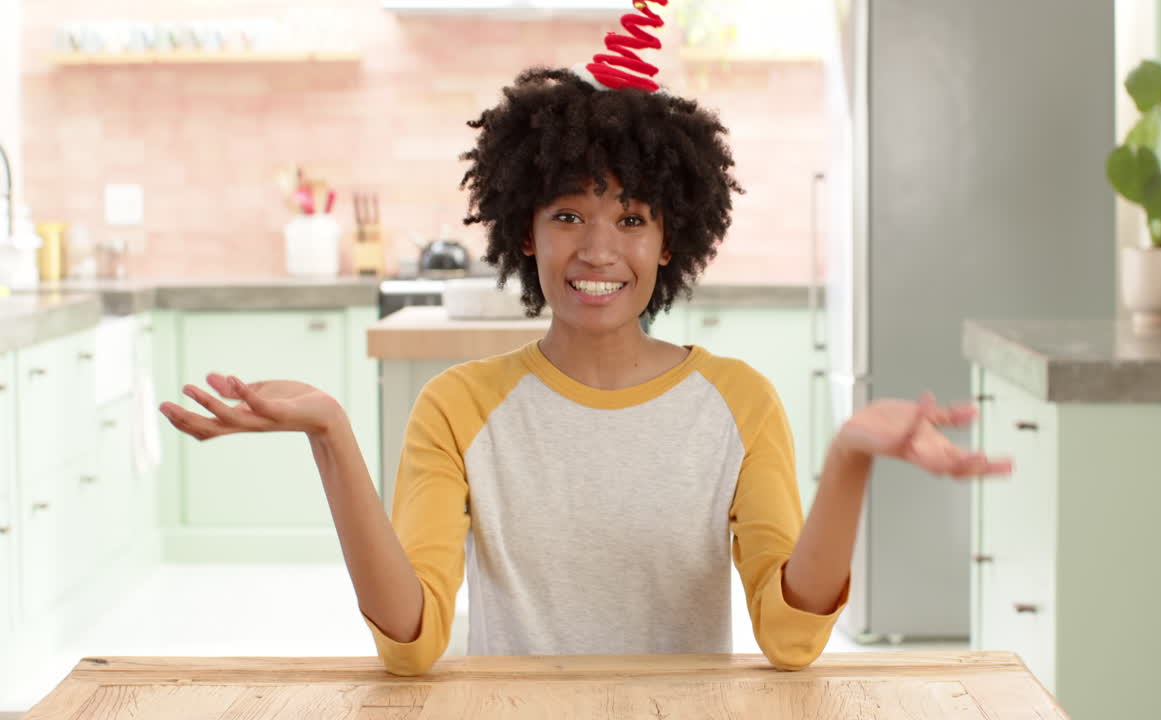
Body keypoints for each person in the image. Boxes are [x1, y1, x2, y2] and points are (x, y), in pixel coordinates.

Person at [159, 4, 1011, 677]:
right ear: (524, 232)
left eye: (631, 219)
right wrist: (332, 436)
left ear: (672, 238)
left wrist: (852, 458)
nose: (598, 250)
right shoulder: (457, 407)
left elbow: (790, 638)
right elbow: (412, 645)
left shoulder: (739, 403)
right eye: (568, 214)